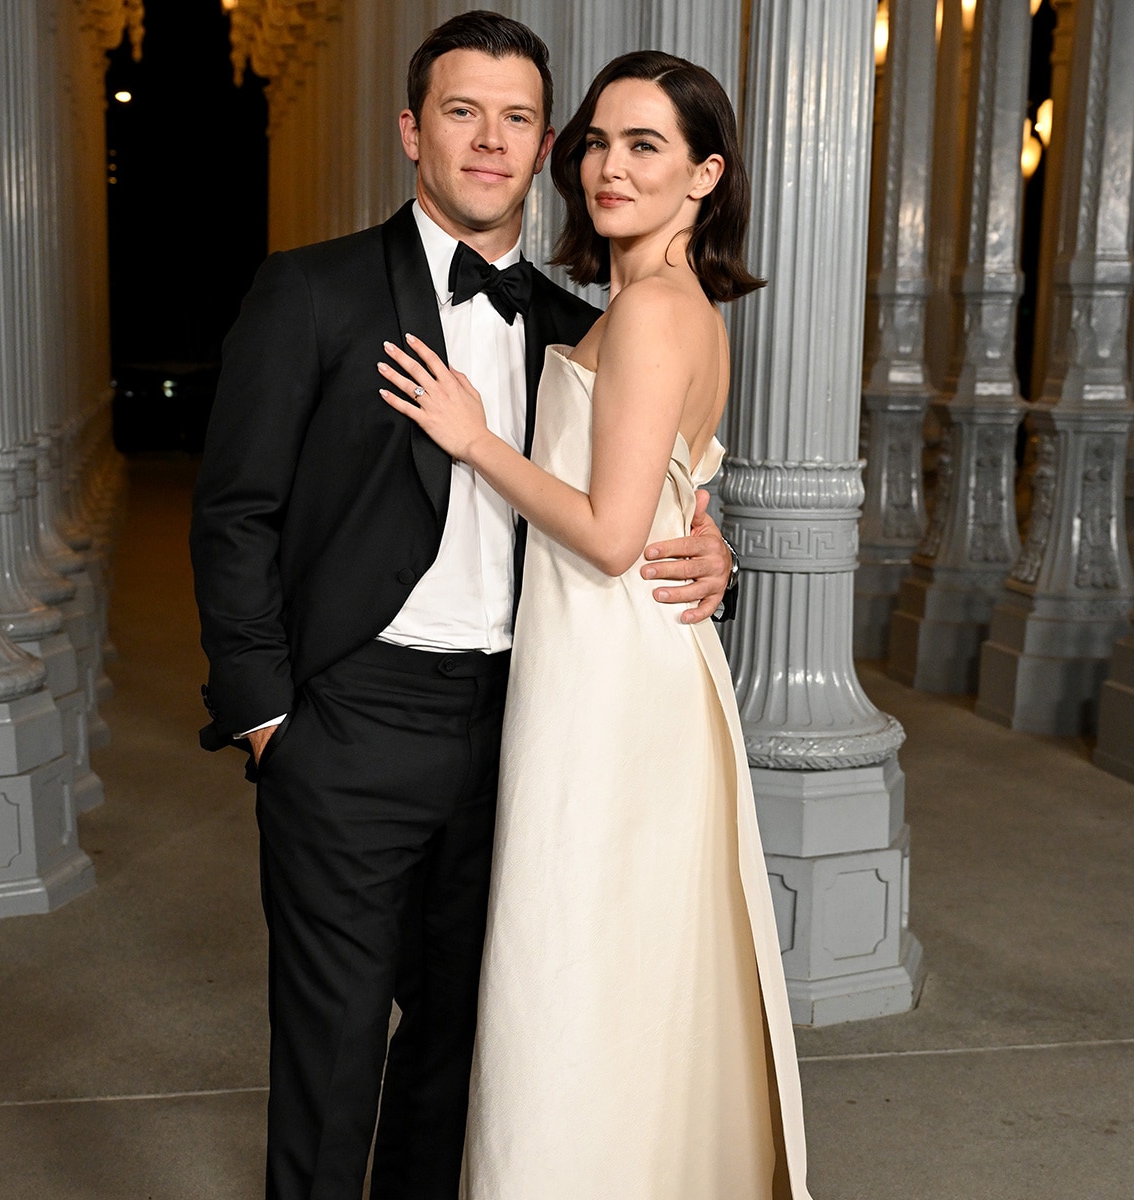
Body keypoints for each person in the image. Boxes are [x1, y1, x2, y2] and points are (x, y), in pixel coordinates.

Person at [190, 14, 736, 1200]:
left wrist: (708, 543)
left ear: (544, 145)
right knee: (332, 1056)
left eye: (520, 117)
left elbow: (629, 482)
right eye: (461, 111)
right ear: (412, 131)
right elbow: (234, 512)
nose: (491, 140)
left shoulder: (567, 320)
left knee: (470, 1049)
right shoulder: (313, 291)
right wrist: (267, 718)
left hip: (529, 728)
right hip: (349, 726)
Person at [378, 51, 812, 1198]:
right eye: (598, 143)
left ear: (705, 175)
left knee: (569, 960)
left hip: (612, 680)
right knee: (605, 966)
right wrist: (710, 539)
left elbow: (616, 535)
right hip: (611, 662)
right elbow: (669, 503)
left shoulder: (659, 312)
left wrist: (476, 441)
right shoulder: (653, 306)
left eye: (647, 147)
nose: (608, 168)